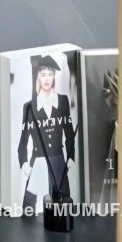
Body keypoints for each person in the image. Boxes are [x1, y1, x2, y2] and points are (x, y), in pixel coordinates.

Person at [17, 55, 76, 211]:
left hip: (58, 162)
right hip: (37, 163)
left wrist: (71, 157)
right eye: (43, 74)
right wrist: (25, 164)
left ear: (54, 76)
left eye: (50, 74)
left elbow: (69, 133)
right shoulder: (29, 106)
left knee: (63, 210)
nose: (47, 78)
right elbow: (23, 142)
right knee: (30, 211)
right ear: (38, 76)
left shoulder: (62, 101)